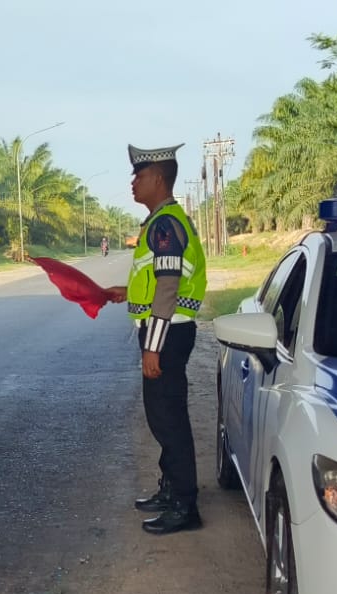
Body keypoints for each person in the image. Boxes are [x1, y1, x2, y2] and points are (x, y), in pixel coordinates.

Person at [104, 143, 209, 535]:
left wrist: (153, 346)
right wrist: (126, 292)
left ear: (159, 179)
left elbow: (168, 287)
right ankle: (171, 489)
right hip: (167, 329)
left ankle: (185, 506)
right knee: (161, 417)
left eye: (139, 175)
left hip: (168, 333)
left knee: (169, 420)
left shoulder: (166, 223)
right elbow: (156, 282)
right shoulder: (161, 221)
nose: (133, 182)